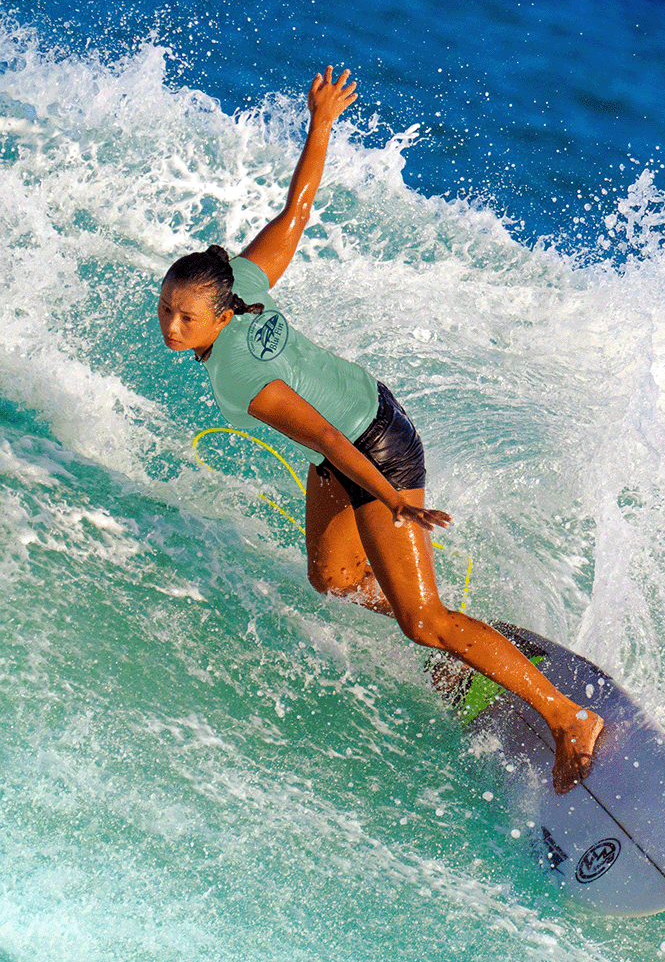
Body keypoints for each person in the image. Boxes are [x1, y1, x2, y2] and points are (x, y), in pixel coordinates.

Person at [158, 66, 603, 795]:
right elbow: (297, 211)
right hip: (361, 422)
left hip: (373, 447)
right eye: (167, 311)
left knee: (418, 621)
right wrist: (321, 122)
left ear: (220, 313)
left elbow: (332, 443)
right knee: (333, 578)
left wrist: (394, 502)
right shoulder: (243, 282)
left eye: (186, 317)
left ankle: (566, 717)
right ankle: (460, 634)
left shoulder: (234, 374)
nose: (173, 327)